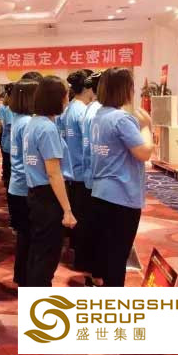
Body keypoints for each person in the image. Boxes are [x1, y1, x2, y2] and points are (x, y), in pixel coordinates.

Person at [91, 68, 153, 287]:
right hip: (121, 195)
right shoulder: (122, 119)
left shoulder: (100, 115)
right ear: (125, 89)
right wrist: (146, 127)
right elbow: (144, 152)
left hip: (101, 192)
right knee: (118, 255)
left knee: (106, 251)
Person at [23, 76, 77, 287]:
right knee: (47, 254)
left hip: (37, 194)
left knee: (39, 250)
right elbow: (54, 173)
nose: (67, 99)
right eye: (66, 95)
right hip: (48, 196)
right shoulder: (47, 128)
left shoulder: (34, 123)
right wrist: (67, 210)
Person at [7, 79, 39, 286]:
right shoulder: (27, 122)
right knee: (28, 237)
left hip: (17, 185)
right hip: (24, 187)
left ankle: (22, 277)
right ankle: (26, 279)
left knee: (24, 237)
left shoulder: (19, 119)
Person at [64, 69, 94, 269]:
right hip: (82, 172)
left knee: (78, 215)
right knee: (84, 218)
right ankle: (83, 260)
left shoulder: (70, 107)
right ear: (88, 88)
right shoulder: (82, 111)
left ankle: (76, 249)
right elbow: (88, 145)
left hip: (72, 171)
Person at [79, 71, 103, 286]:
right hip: (96, 176)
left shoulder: (91, 108)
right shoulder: (97, 111)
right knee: (97, 227)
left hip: (89, 173)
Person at [0, 83, 14, 190]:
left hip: (8, 139)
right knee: (7, 162)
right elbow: (3, 124)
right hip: (8, 139)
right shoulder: (7, 109)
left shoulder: (10, 108)